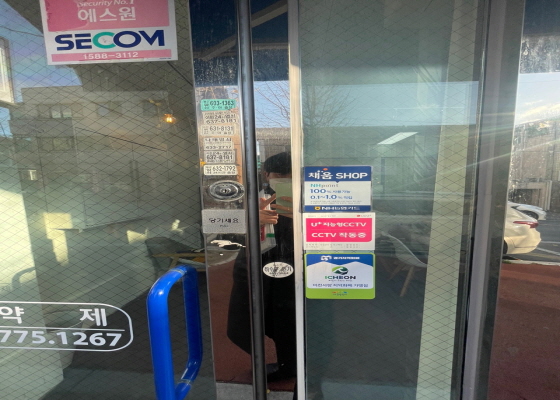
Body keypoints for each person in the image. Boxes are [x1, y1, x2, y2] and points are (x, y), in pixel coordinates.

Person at [227, 152, 297, 382]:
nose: (286, 179)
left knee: (288, 319)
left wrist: (300, 216)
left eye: (291, 174)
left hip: (295, 266)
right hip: (260, 265)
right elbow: (228, 235)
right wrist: (253, 221)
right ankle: (286, 363)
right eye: (280, 174)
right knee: (260, 316)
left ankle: (290, 366)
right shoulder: (251, 197)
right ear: (267, 174)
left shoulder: (312, 197)